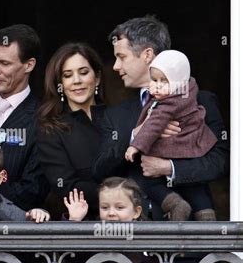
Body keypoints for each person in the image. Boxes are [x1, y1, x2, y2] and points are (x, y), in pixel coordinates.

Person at [93, 15, 229, 221]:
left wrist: (170, 168)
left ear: (147, 54)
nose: (115, 67)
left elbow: (222, 160)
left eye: (121, 57)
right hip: (134, 243)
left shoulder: (201, 100)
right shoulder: (115, 115)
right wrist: (134, 136)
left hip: (191, 238)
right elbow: (100, 170)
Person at [125, 50, 218, 221]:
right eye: (154, 80)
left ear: (178, 82)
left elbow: (153, 125)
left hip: (175, 152)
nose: (157, 86)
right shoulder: (188, 90)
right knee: (196, 189)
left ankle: (175, 204)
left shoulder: (169, 103)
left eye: (164, 81)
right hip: (191, 150)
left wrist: (134, 145)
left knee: (150, 183)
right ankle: (206, 214)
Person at [0, 24, 49, 211]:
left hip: (13, 228)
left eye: (4, 63)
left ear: (29, 65)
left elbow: (33, 189)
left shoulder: (44, 119)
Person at [37, 42, 106, 219]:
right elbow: (67, 187)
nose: (77, 80)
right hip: (83, 227)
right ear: (60, 84)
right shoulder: (50, 130)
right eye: (68, 75)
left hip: (132, 225)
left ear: (97, 78)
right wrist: (119, 194)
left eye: (83, 73)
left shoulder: (118, 117)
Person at [65, 177, 157, 263]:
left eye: (119, 207)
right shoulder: (95, 233)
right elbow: (72, 255)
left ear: (136, 212)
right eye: (104, 207)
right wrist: (74, 220)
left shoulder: (149, 238)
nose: (111, 213)